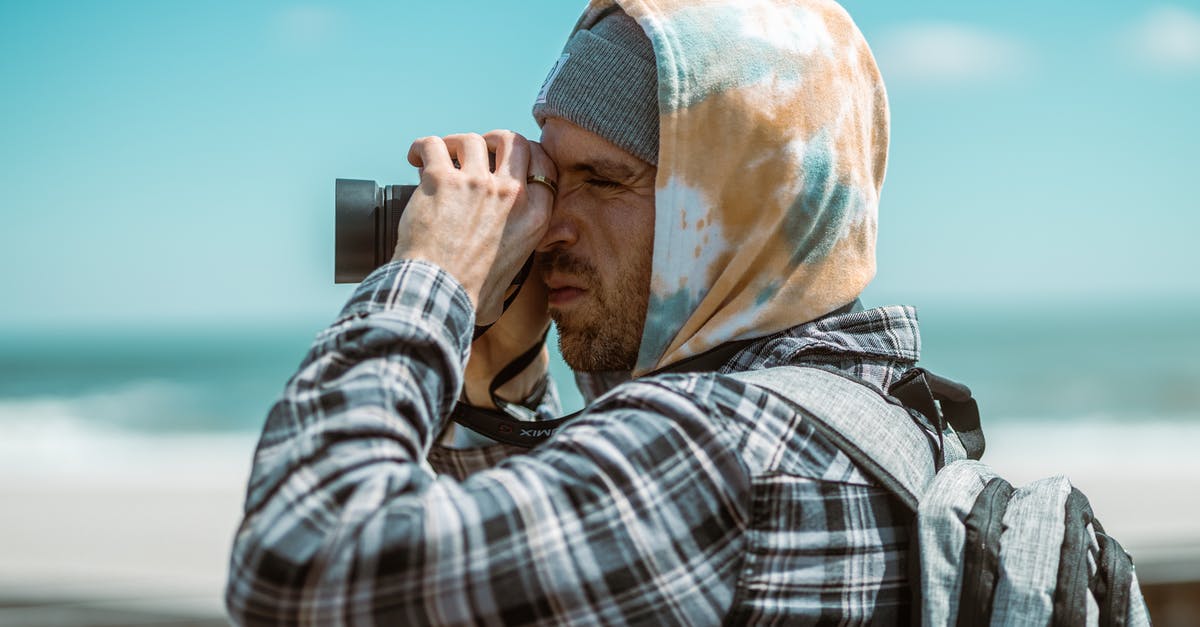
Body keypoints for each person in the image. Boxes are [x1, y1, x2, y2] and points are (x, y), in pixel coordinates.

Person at [226, 0, 913, 624]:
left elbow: (300, 561)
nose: (550, 224)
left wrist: (433, 276)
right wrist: (501, 384)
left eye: (605, 179)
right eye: (551, 180)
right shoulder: (863, 412)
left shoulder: (717, 451)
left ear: (751, 205)